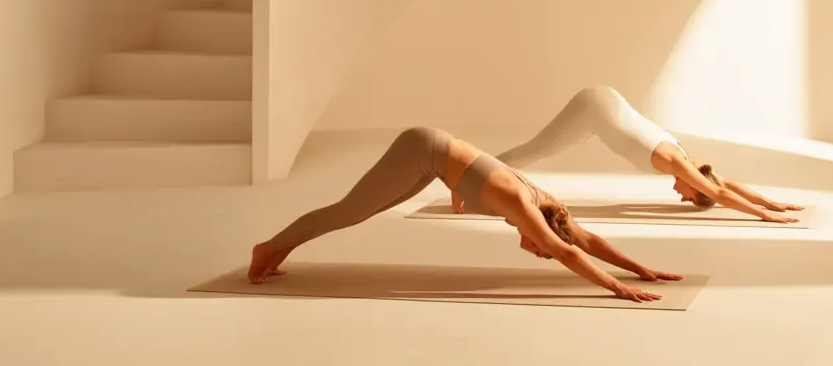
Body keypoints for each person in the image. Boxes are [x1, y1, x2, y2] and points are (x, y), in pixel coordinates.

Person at [246, 126, 681, 302]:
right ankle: (267, 248)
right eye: (539, 250)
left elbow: (584, 240)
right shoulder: (523, 205)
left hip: (431, 160)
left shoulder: (548, 204)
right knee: (350, 211)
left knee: (359, 212)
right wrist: (617, 288)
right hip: (421, 150)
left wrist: (641, 269)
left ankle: (280, 249)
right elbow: (568, 252)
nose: (535, 252)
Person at [487, 86, 804, 223]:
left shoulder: (691, 161)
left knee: (538, 150)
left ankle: (481, 174)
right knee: (535, 150)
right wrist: (766, 216)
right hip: (594, 108)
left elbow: (726, 184)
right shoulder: (675, 161)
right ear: (697, 186)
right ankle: (477, 173)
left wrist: (773, 202)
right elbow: (720, 192)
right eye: (691, 197)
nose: (682, 197)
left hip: (602, 112)